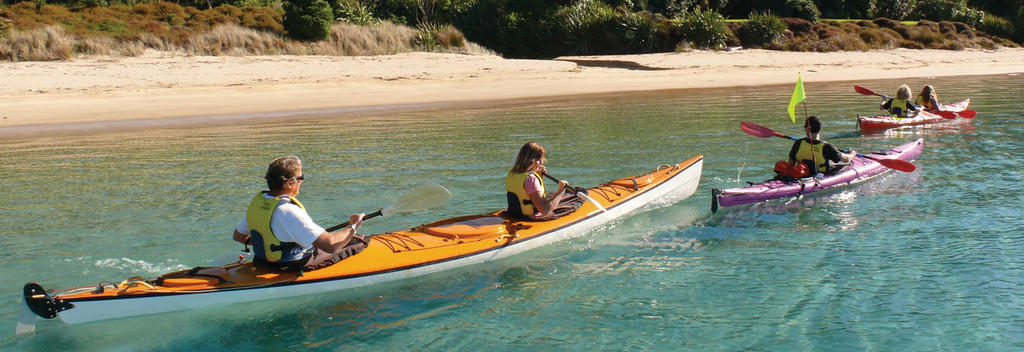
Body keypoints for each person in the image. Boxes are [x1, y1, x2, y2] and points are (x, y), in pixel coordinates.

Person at [232, 156, 369, 272]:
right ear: (290, 183)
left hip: (262, 262)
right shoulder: (289, 210)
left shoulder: (259, 204)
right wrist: (353, 226)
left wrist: (264, 243)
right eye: (300, 178)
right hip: (288, 267)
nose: (301, 181)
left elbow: (238, 236)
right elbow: (331, 245)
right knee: (359, 241)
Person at [505, 142, 570, 219]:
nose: (542, 162)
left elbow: (527, 190)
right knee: (570, 199)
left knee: (555, 196)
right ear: (531, 161)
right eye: (539, 160)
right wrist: (561, 190)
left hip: (515, 214)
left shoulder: (512, 173)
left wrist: (539, 176)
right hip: (530, 218)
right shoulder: (531, 179)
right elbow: (545, 211)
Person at [787, 116, 857, 176]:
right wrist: (852, 154)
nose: (803, 127)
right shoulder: (827, 147)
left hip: (802, 175)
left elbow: (790, 164)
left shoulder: (798, 143)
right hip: (820, 176)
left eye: (805, 125)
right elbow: (846, 159)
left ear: (808, 128)